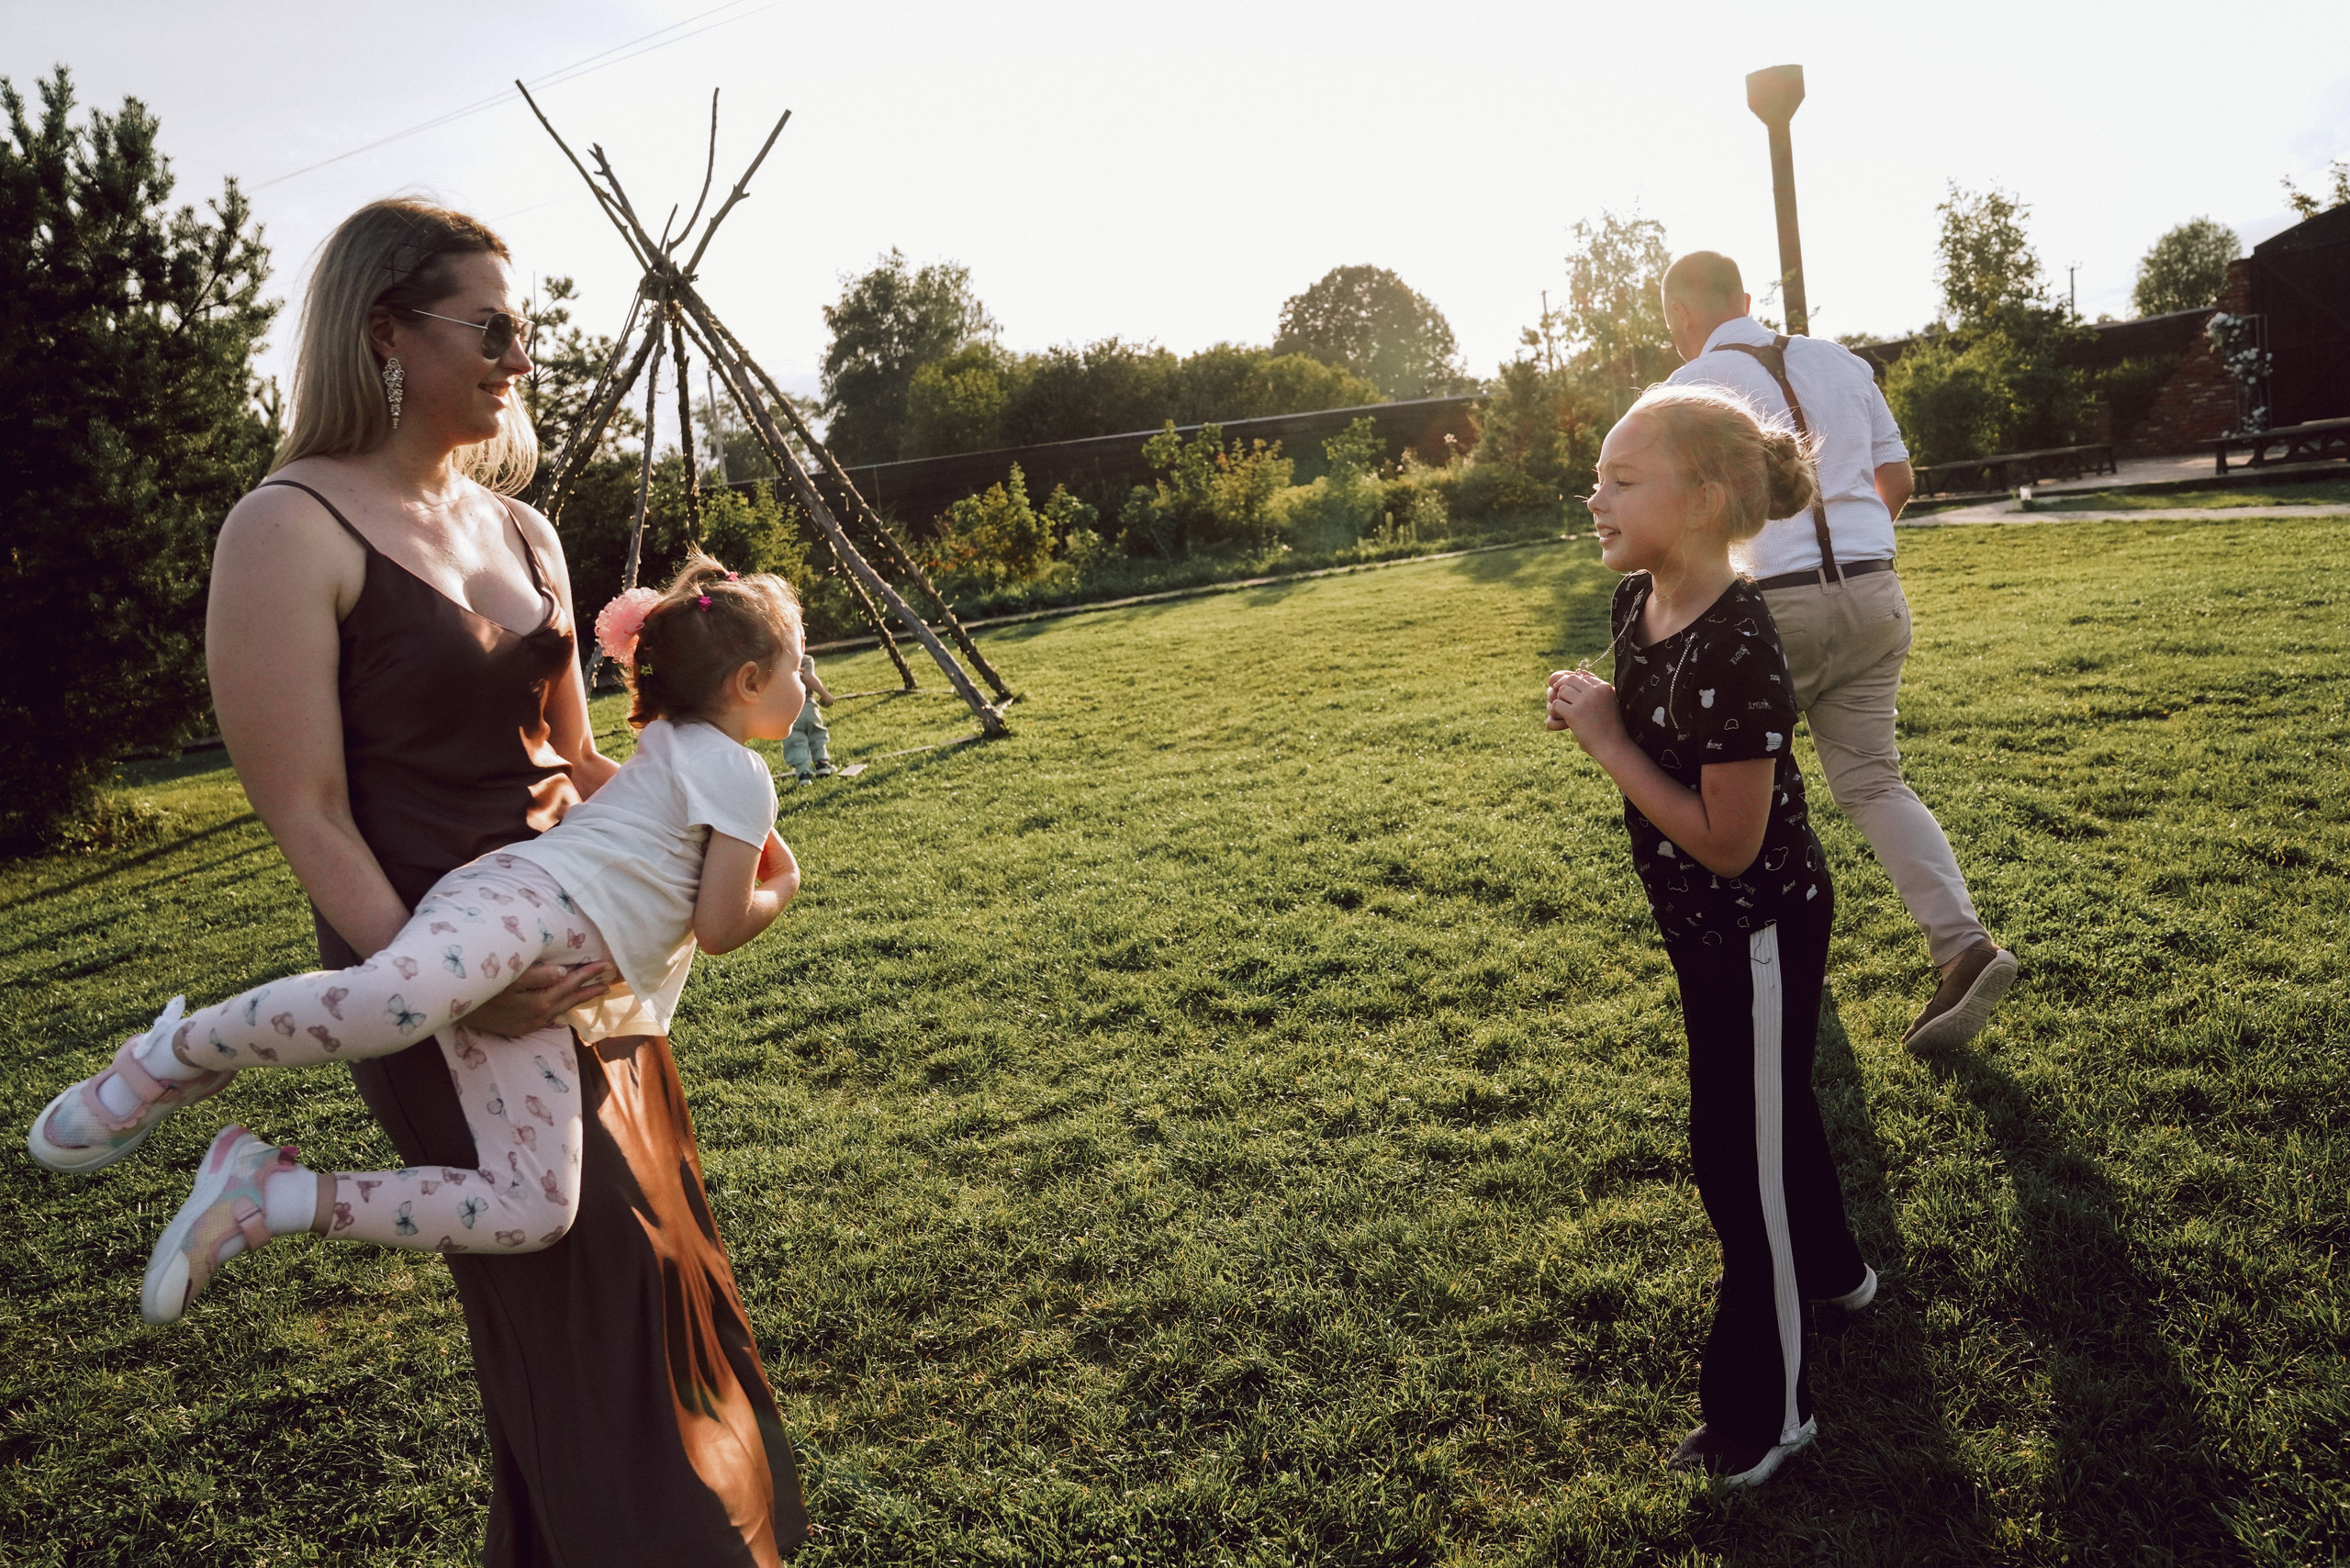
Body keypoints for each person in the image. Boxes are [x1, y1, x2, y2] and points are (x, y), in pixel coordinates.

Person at [73, 197, 805, 1563]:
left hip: (584, 945)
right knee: (576, 1303)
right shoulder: (283, 530)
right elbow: (307, 813)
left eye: (522, 327)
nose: (521, 354)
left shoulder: (527, 533)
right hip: (419, 962)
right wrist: (460, 994)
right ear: (385, 333)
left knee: (655, 1274)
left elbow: (583, 761)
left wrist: (702, 846)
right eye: (495, 326)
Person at [30, 555, 806, 1331]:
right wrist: (784, 883)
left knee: (534, 1204)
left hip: (548, 978)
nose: (804, 685)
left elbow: (610, 788)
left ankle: (269, 1195)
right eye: (795, 668)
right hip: (528, 906)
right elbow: (720, 927)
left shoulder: (676, 743)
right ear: (746, 682)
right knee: (393, 1004)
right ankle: (169, 1054)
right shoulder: (739, 774)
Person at [1547, 384, 1874, 1490]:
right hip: (1704, 933)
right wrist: (1604, 706)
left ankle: (1765, 1410)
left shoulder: (1738, 644)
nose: (1594, 495)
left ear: (1703, 500)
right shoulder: (1640, 601)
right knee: (1764, 1115)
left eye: (1621, 479)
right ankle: (1835, 1276)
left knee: (1739, 1164)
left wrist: (1601, 735)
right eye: (1597, 475)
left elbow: (1728, 844)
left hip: (1756, 929)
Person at [1660, 251, 2014, 1050]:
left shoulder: (1686, 391)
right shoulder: (1840, 360)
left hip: (1768, 609)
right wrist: (1856, 540)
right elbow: (1898, 474)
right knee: (1873, 781)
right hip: (1872, 590)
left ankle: (1773, 959)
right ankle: (1962, 944)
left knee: (1745, 787)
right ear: (1745, 299)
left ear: (1682, 316)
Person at [783, 649, 834, 783]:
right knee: (816, 734)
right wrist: (825, 694)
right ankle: (822, 764)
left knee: (795, 740)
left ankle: (804, 773)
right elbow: (808, 677)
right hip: (808, 705)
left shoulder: (776, 661)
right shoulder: (805, 659)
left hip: (788, 710)